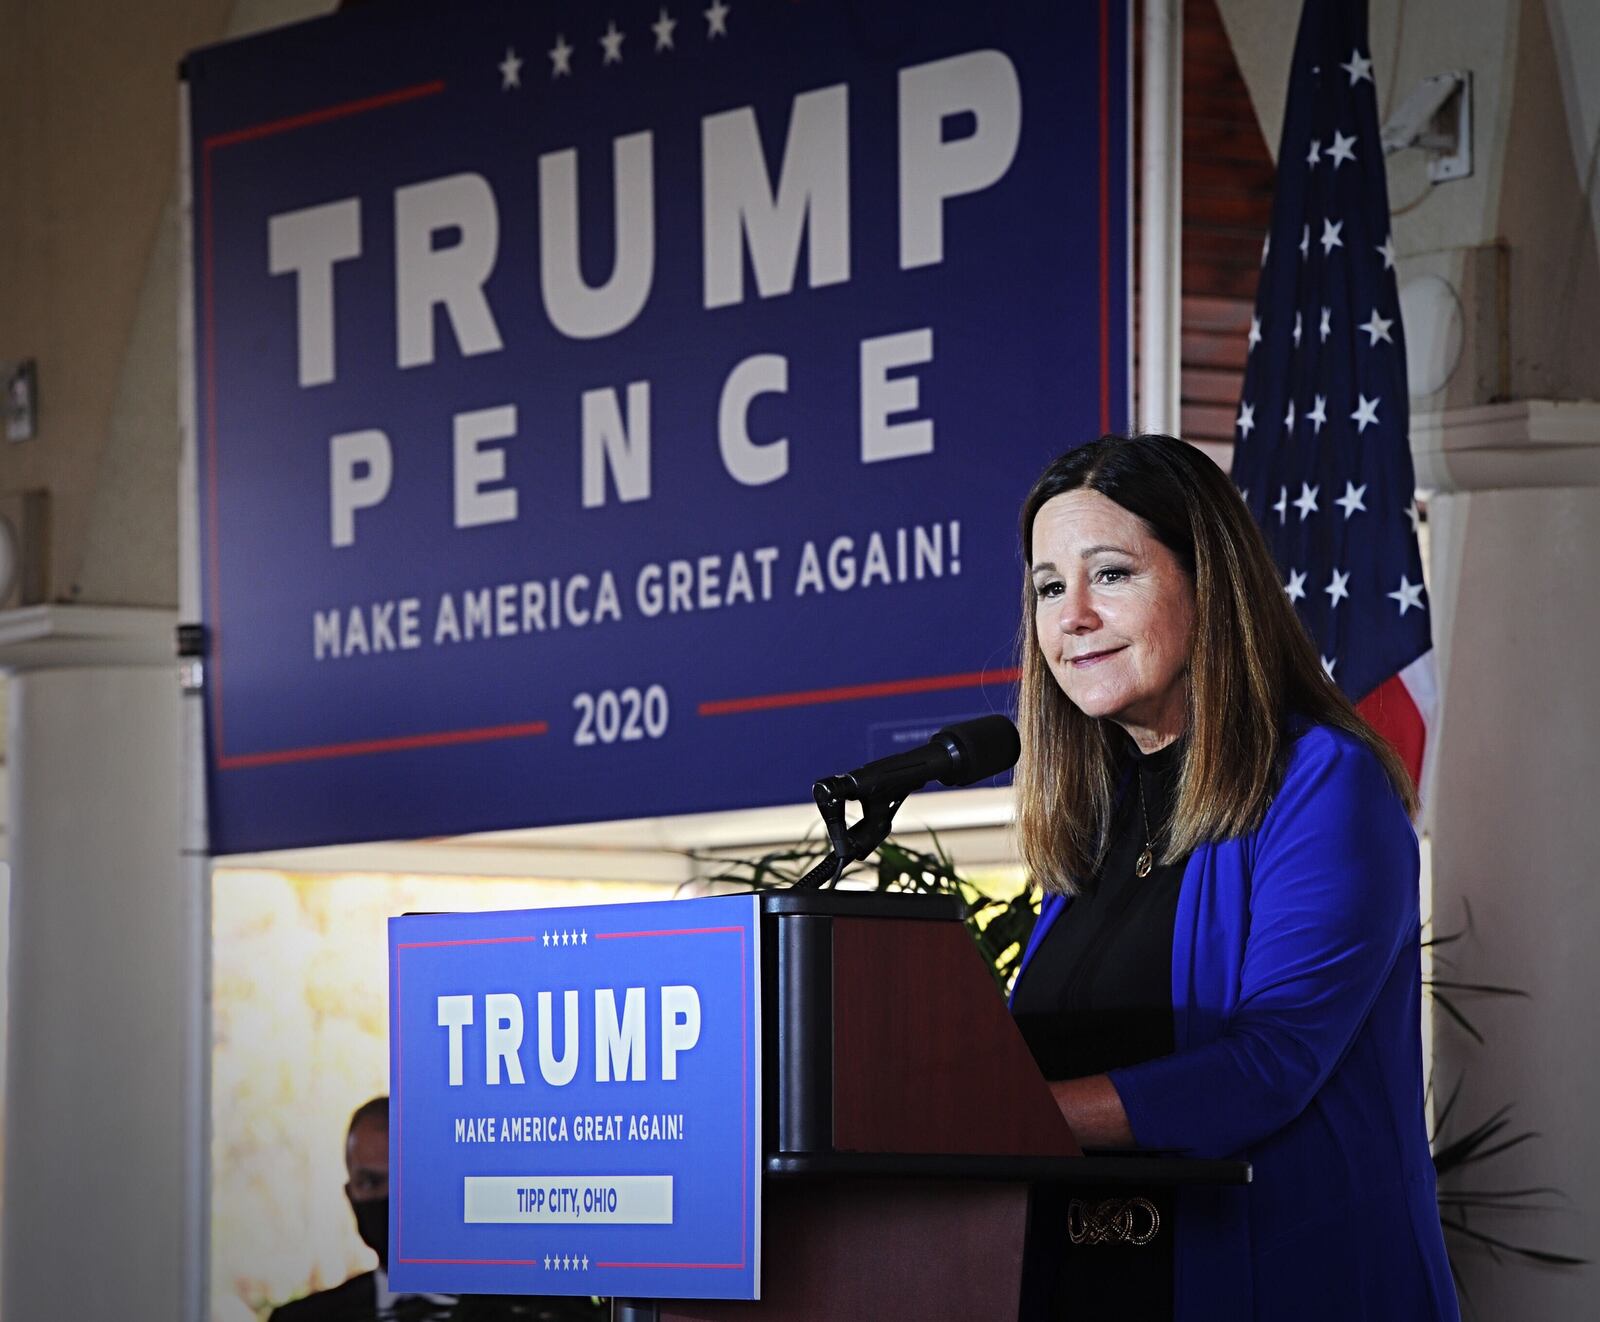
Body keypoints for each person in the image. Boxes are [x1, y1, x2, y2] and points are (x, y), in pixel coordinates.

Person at [1008, 434, 1458, 1321]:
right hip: (1089, 1284)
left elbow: (1270, 1061)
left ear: (1206, 582)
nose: (1073, 617)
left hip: (1280, 1284)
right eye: (1050, 588)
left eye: (1112, 575)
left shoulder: (1322, 782)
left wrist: (1011, 1120)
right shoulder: (1097, 821)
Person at [269, 1096, 453, 1321]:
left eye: (407, 1179)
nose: (390, 1197)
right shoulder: (301, 1319)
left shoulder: (501, 1310)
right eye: (369, 1183)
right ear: (350, 1194)